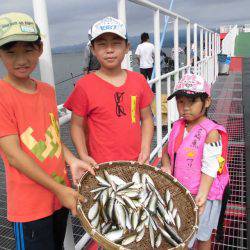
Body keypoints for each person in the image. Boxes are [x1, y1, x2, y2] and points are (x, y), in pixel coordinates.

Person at [0, 12, 96, 250]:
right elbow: (13, 155)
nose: (21, 59)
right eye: (11, 52)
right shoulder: (2, 95)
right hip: (29, 207)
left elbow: (50, 135)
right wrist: (60, 190)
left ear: (40, 49)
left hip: (59, 196)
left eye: (29, 50)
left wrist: (72, 160)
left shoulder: (46, 91)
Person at [64, 16, 154, 166]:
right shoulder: (84, 86)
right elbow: (76, 125)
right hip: (100, 166)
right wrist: (83, 154)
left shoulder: (139, 80)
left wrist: (145, 148)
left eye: (116, 44)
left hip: (136, 163)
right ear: (93, 49)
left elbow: (147, 118)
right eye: (102, 44)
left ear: (127, 47)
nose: (110, 50)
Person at [161, 73, 230, 249]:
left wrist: (202, 195)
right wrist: (166, 165)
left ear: (207, 102)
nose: (185, 108)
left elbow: (210, 167)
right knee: (182, 233)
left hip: (202, 195)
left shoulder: (211, 132)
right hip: (181, 192)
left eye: (192, 102)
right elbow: (167, 150)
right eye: (180, 102)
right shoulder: (178, 125)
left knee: (203, 235)